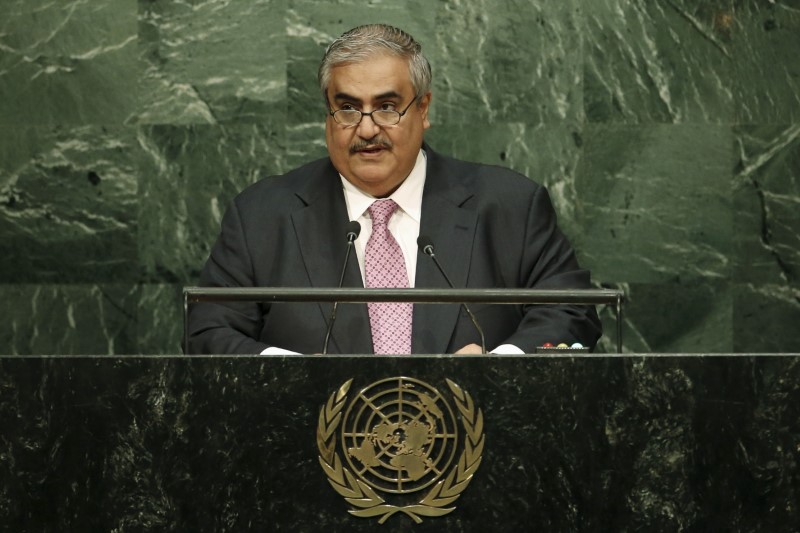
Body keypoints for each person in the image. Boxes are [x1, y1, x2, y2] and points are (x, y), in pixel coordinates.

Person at [187, 24, 602, 355]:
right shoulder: (262, 215)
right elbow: (207, 330)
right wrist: (288, 376)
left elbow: (573, 312)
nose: (367, 129)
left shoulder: (509, 205)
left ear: (423, 109)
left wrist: (497, 369)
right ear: (327, 115)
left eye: (387, 107)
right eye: (347, 108)